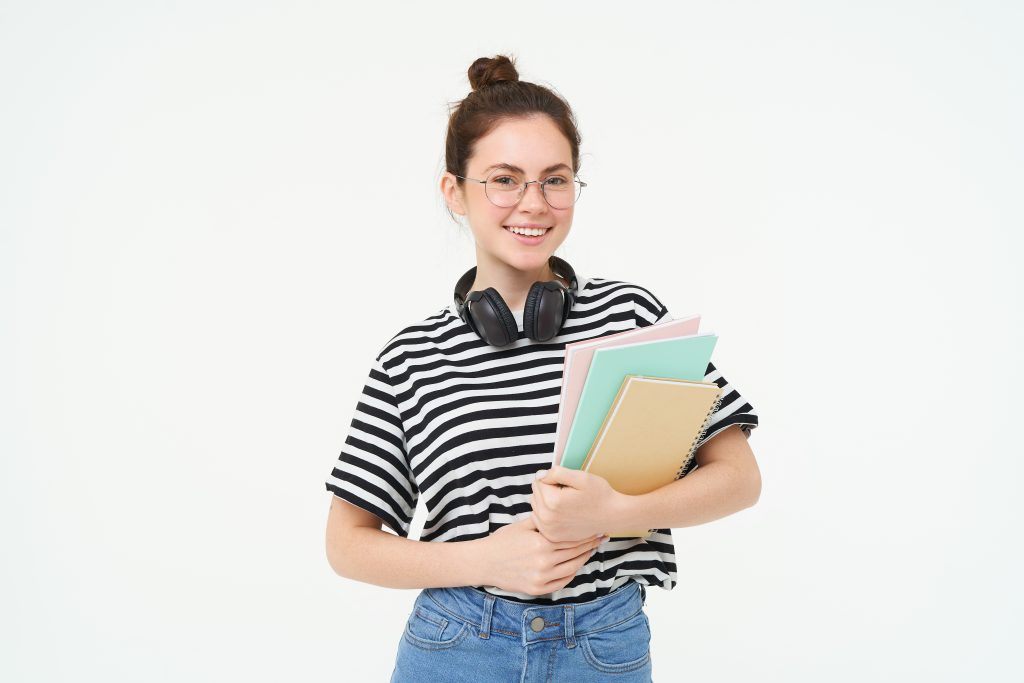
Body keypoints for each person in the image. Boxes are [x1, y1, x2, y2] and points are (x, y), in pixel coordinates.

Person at [324, 54, 762, 682]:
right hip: (457, 643)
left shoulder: (632, 317)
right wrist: (484, 561)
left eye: (555, 179)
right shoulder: (411, 356)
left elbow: (739, 478)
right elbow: (347, 544)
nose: (534, 203)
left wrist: (612, 515)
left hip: (602, 645)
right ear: (454, 190)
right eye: (503, 179)